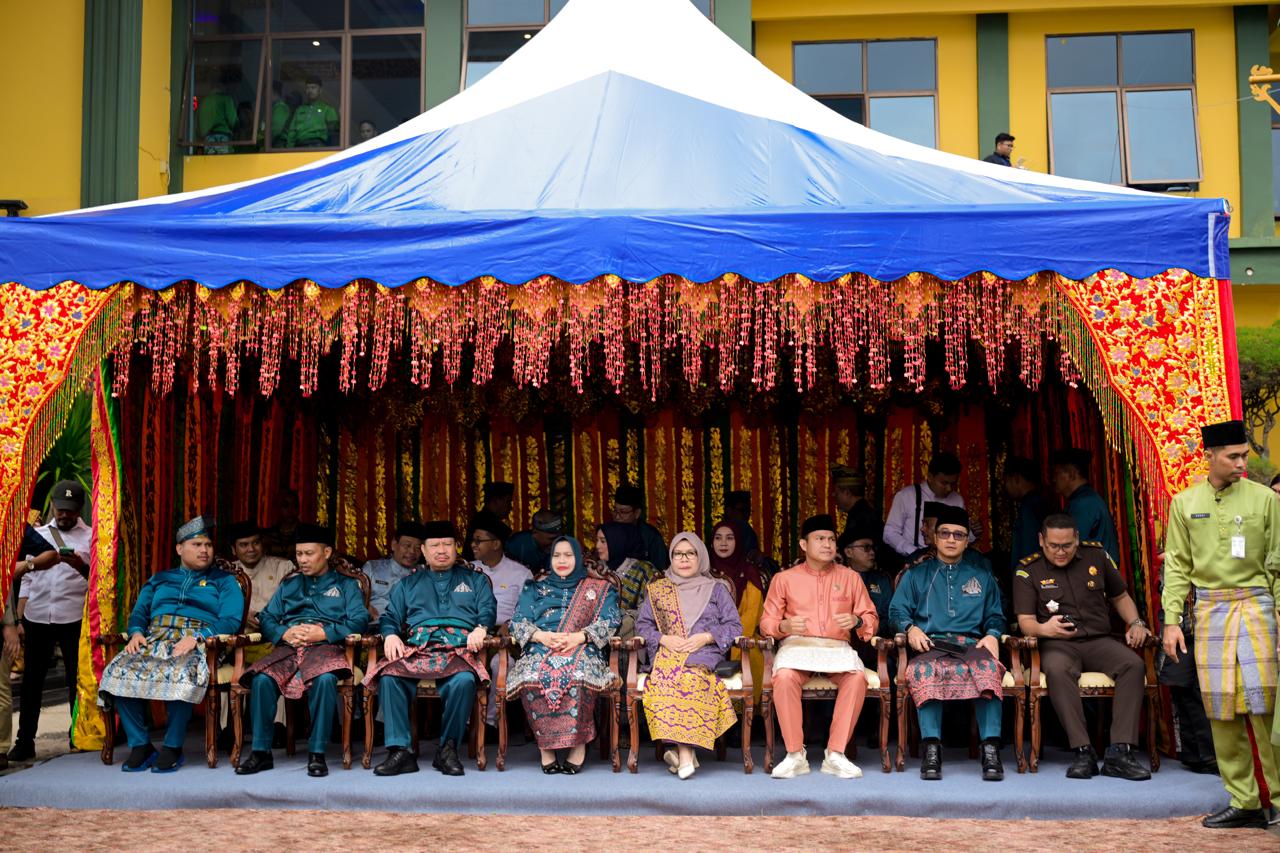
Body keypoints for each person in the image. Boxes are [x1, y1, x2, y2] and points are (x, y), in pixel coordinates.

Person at [1161, 419, 1280, 830]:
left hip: (1258, 607)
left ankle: (1278, 800)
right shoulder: (1184, 502)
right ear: (1208, 456)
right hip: (1210, 611)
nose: (1242, 462)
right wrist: (1171, 621)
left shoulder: (1266, 500)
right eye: (1233, 456)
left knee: (1263, 705)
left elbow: (1278, 565)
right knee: (1221, 709)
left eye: (1245, 455)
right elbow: (1176, 566)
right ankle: (1244, 800)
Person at [98, 516, 244, 773]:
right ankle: (141, 746)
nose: (204, 550)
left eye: (208, 545)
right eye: (197, 544)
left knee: (180, 671)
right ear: (179, 548)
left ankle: (173, 747)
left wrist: (199, 636)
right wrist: (135, 633)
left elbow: (231, 620)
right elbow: (140, 613)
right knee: (117, 671)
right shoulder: (160, 579)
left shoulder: (224, 581)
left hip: (200, 643)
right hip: (155, 638)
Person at [1013, 513, 1151, 780]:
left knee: (1133, 665)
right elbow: (1025, 622)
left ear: (1077, 539)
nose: (1061, 552)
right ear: (1041, 541)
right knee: (1057, 671)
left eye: (1067, 545)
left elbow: (1120, 596)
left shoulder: (1097, 557)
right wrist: (1045, 629)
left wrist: (1135, 622)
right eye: (1054, 546)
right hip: (1058, 644)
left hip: (1099, 640)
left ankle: (1119, 753)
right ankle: (1083, 751)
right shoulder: (1028, 570)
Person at [365, 521, 495, 777]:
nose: (442, 550)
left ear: (457, 548)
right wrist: (390, 635)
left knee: (464, 681)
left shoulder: (475, 580)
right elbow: (391, 617)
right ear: (423, 550)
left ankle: (447, 749)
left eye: (447, 544)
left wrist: (481, 628)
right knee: (391, 676)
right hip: (419, 647)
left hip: (458, 648)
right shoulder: (408, 584)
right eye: (435, 545)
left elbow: (488, 611)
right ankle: (400, 751)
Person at [236, 524, 367, 778]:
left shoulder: (347, 585)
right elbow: (268, 618)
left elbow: (359, 620)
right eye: (299, 554)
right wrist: (283, 633)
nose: (302, 560)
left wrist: (326, 633)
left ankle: (317, 753)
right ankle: (261, 752)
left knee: (326, 679)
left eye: (309, 553)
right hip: (289, 648)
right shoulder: (289, 585)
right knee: (262, 679)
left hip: (326, 649)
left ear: (327, 552)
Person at [889, 505, 1006, 781]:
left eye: (958, 534)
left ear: (967, 540)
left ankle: (990, 748)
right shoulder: (916, 575)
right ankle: (931, 748)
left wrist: (992, 634)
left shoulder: (982, 575)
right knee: (922, 672)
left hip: (972, 645)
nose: (951, 539)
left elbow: (996, 615)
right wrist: (910, 628)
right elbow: (896, 611)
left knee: (990, 670)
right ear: (934, 537)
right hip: (931, 645)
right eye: (945, 534)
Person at [760, 514, 878, 780]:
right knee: (785, 677)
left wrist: (857, 620)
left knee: (856, 678)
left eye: (831, 539)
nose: (827, 544)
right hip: (798, 646)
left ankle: (836, 754)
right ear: (804, 545)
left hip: (837, 649)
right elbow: (766, 621)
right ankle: (794, 755)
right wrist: (784, 627)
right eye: (820, 539)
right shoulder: (784, 579)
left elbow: (870, 618)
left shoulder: (850, 578)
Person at [506, 536, 621, 773]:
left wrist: (579, 637)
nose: (562, 560)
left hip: (582, 645)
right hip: (541, 645)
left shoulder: (600, 589)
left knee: (578, 675)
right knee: (531, 676)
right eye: (557, 555)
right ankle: (545, 748)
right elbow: (517, 623)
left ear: (578, 558)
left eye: (568, 555)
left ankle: (578, 745)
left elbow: (611, 621)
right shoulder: (535, 588)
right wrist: (542, 637)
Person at [636, 533, 741, 779]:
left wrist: (705, 637)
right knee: (666, 679)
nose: (683, 559)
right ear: (671, 557)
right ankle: (685, 755)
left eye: (690, 553)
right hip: (668, 652)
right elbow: (643, 625)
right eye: (677, 554)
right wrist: (664, 639)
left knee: (691, 678)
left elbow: (734, 626)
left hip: (702, 653)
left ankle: (681, 755)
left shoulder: (716, 589)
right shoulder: (658, 589)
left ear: (700, 556)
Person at [11, 480, 92, 762]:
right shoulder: (38, 535)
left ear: (80, 508)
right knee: (32, 681)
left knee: (75, 680)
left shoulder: (91, 537)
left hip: (73, 618)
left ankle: (76, 737)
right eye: (60, 509)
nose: (65, 515)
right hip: (38, 616)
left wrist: (79, 564)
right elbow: (27, 580)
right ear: (53, 506)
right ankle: (25, 742)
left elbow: (96, 582)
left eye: (70, 510)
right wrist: (20, 618)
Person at [2, 525, 60, 766]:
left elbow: (50, 555)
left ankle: (1, 749)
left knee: (2, 688)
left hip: (15, 613)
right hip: (20, 615)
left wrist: (10, 622)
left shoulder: (8, 516)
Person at [470, 513, 532, 726]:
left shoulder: (520, 573)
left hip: (505, 636)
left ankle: (488, 724)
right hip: (471, 634)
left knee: (501, 664)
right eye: (473, 540)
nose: (473, 544)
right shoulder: (468, 570)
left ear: (496, 544)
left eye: (479, 540)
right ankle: (465, 723)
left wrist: (511, 624)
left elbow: (529, 609)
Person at [709, 519, 765, 701]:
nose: (723, 543)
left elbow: (753, 614)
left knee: (752, 653)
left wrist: (729, 638)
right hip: (707, 638)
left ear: (738, 542)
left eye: (729, 538)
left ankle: (748, 718)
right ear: (711, 542)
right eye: (718, 538)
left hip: (742, 636)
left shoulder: (749, 572)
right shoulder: (703, 570)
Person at [225, 521, 292, 653]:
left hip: (277, 640)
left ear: (263, 544)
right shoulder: (226, 573)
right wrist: (242, 613)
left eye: (256, 543)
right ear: (233, 549)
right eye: (244, 545)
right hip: (239, 644)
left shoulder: (283, 567)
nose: (251, 549)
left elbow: (294, 606)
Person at [884, 452, 966, 558]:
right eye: (944, 483)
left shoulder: (957, 500)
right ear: (930, 477)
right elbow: (890, 533)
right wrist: (914, 552)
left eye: (953, 484)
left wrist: (973, 533)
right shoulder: (906, 496)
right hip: (913, 561)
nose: (949, 488)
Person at [1051, 448, 1120, 563]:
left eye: (1057, 473)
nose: (1053, 479)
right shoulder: (1082, 500)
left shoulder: (1084, 503)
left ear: (1072, 474)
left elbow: (1069, 548)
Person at [595, 521, 662, 622]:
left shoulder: (643, 571)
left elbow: (651, 611)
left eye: (603, 541)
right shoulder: (595, 569)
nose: (597, 546)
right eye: (597, 540)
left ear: (617, 542)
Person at [360, 521, 426, 621]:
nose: (412, 552)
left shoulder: (425, 573)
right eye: (407, 546)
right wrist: (365, 607)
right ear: (394, 545)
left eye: (417, 548)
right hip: (376, 626)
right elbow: (353, 596)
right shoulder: (372, 568)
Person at [838, 521, 893, 634]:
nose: (872, 552)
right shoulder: (837, 579)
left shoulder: (882, 579)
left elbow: (890, 617)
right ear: (849, 552)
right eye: (866, 547)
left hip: (876, 641)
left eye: (873, 548)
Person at [1004, 456, 1047, 569]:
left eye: (1007, 481)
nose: (1006, 486)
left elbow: (1029, 546)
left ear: (1016, 479)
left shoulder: (1029, 507)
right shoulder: (1039, 501)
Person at [613, 484, 669, 570]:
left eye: (623, 512)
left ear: (637, 513)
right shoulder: (609, 532)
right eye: (615, 511)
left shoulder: (651, 537)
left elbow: (661, 569)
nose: (617, 517)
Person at [286, 76, 339, 148]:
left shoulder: (327, 109)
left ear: (320, 90)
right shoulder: (299, 110)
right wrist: (289, 149)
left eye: (313, 87)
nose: (310, 90)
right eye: (308, 88)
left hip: (318, 146)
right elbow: (292, 132)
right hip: (299, 147)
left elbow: (334, 131)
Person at [505, 510, 564, 574]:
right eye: (551, 539)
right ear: (535, 533)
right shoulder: (516, 545)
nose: (556, 543)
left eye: (559, 538)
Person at [832, 465, 881, 543]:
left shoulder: (860, 517)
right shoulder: (862, 511)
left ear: (847, 493)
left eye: (837, 493)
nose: (834, 495)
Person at [196, 67, 238, 154]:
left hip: (207, 140)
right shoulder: (227, 100)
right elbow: (233, 121)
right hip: (222, 138)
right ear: (223, 85)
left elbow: (197, 126)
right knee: (223, 165)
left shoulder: (204, 102)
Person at [262, 488, 301, 560]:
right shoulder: (268, 536)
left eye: (294, 505)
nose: (290, 510)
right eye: (285, 505)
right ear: (278, 508)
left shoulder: (307, 534)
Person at [723, 491, 761, 557]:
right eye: (742, 510)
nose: (746, 515)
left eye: (748, 511)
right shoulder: (743, 527)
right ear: (729, 511)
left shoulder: (747, 530)